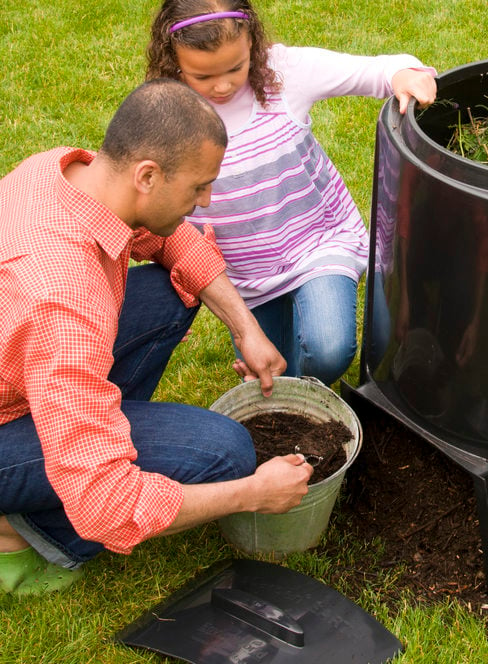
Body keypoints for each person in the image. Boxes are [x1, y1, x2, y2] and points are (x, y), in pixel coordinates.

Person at [0, 78, 313, 596]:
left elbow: (173, 242)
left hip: (27, 364)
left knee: (172, 293)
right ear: (147, 175)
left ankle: (87, 430)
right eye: (198, 187)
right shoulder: (66, 300)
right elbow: (107, 505)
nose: (207, 201)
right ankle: (20, 530)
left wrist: (247, 328)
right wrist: (252, 493)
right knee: (224, 453)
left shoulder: (65, 173)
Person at [145, 0, 437, 386]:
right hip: (242, 274)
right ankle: (291, 398)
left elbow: (376, 70)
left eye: (236, 67)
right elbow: (153, 206)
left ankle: (301, 390)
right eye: (203, 76)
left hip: (316, 243)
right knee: (270, 370)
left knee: (328, 350)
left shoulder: (282, 74)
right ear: (173, 62)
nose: (223, 85)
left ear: (253, 44)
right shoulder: (164, 109)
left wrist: (403, 74)